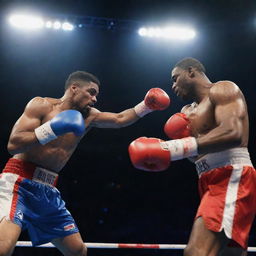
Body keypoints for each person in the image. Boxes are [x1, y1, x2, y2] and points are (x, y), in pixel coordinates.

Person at [0, 70, 170, 256]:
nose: (95, 99)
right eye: (91, 92)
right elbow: (13, 144)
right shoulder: (42, 105)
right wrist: (52, 128)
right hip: (18, 182)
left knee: (78, 251)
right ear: (74, 88)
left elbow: (119, 119)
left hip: (47, 189)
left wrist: (146, 106)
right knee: (3, 247)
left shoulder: (88, 116)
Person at [128, 57, 256, 256]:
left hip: (232, 175)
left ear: (191, 72)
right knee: (228, 254)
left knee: (196, 252)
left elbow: (234, 133)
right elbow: (195, 156)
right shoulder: (187, 112)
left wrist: (172, 147)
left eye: (175, 78)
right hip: (207, 179)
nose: (173, 85)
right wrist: (168, 153)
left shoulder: (222, 89)